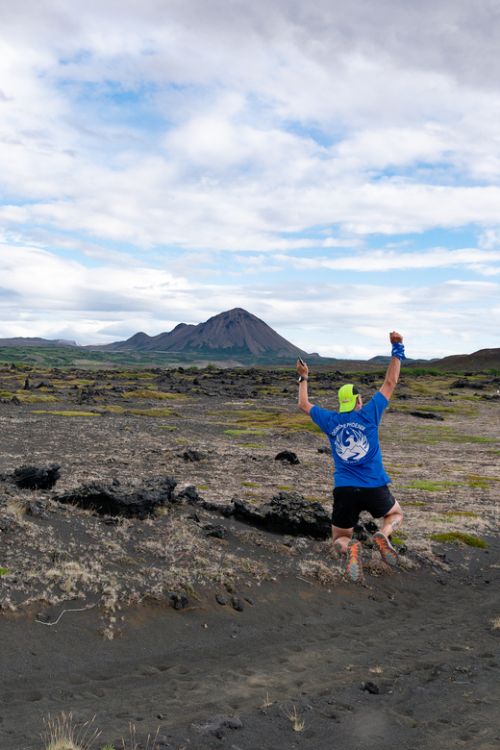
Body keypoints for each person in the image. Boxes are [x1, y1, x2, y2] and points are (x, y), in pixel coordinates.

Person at [296, 331, 406, 582]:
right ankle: (385, 534)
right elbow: (390, 383)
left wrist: (303, 378)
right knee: (395, 514)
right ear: (358, 400)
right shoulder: (369, 414)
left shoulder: (331, 420)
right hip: (374, 486)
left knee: (340, 536)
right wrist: (397, 348)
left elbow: (303, 405)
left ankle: (349, 549)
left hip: (344, 489)